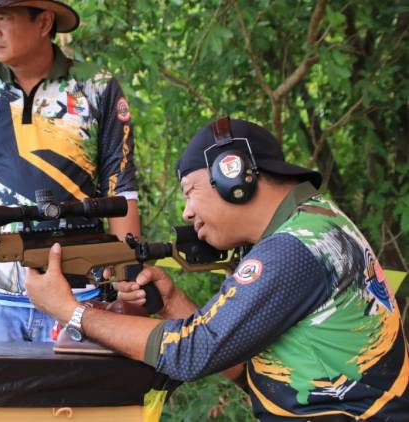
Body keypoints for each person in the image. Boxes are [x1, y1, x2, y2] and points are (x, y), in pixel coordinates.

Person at [25, 117, 408, 420]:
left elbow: (193, 352)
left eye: (190, 191)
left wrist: (69, 311)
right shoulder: (315, 226)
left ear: (233, 175)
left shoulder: (294, 248)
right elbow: (243, 366)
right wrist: (172, 300)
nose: (187, 212)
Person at [0, 0, 140, 343]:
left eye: (2, 17)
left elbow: (122, 191)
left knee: (76, 396)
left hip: (81, 292)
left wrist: (127, 282)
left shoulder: (97, 87)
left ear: (44, 22)